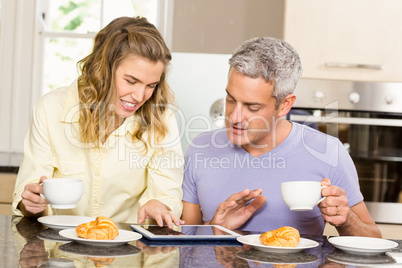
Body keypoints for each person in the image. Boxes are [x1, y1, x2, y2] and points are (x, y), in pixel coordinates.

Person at [181, 37, 381, 237]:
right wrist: (215, 227)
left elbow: (374, 240)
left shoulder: (327, 151)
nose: (234, 117)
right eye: (230, 100)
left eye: (252, 107)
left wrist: (346, 219)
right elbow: (181, 246)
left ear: (285, 105)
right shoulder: (201, 148)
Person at [12, 16, 184, 227]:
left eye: (151, 85)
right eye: (131, 81)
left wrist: (160, 205)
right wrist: (31, 203)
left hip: (127, 252)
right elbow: (27, 197)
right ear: (103, 71)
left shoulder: (162, 119)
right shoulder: (50, 109)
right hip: (59, 252)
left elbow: (168, 193)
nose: (140, 96)